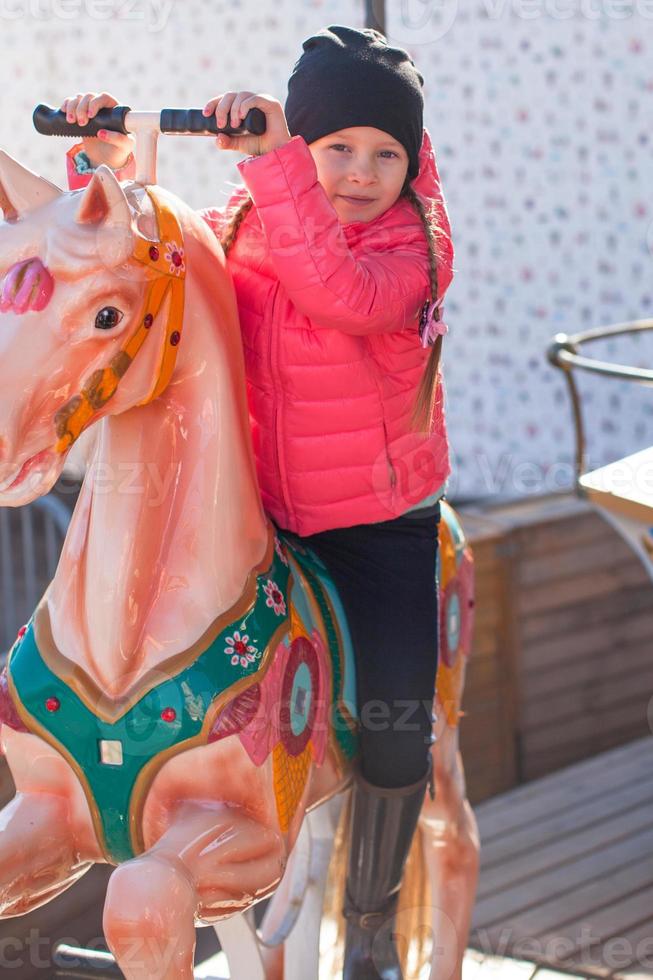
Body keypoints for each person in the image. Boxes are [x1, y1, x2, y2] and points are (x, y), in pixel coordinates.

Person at [61, 23, 455, 979]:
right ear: (301, 146)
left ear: (412, 162)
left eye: (385, 152)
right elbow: (150, 256)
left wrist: (280, 165)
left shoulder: (413, 248)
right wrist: (101, 160)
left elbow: (339, 294)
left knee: (397, 728)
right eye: (335, 148)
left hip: (374, 526)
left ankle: (369, 921)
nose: (361, 172)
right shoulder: (245, 223)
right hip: (263, 515)